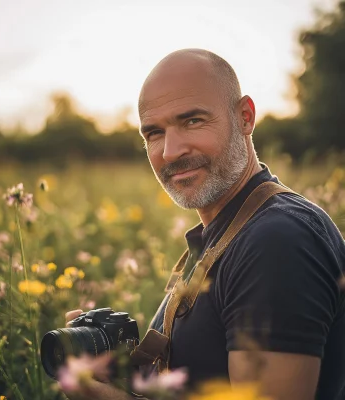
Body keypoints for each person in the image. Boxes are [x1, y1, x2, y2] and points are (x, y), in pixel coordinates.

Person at [63, 49, 345, 400]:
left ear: (245, 117)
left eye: (192, 121)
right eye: (153, 133)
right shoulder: (225, 235)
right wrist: (121, 372)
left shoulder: (277, 239)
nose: (170, 151)